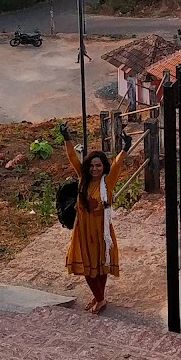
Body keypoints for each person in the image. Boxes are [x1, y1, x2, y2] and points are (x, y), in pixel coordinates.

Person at [60, 121, 125, 313]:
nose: (95, 169)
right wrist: (67, 138)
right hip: (83, 230)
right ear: (87, 167)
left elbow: (118, 164)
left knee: (101, 265)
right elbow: (72, 157)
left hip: (101, 230)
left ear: (102, 167)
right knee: (89, 267)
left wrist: (125, 148)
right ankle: (100, 298)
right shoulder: (83, 178)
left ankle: (100, 298)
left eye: (98, 166)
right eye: (92, 166)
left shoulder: (108, 182)